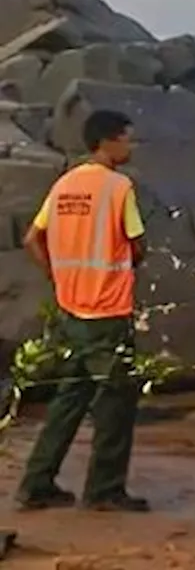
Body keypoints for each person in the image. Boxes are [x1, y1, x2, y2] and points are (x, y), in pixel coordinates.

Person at [16, 110, 149, 512]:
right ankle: (105, 490)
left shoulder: (65, 185)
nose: (131, 145)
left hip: (72, 309)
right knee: (116, 401)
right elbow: (137, 244)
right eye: (127, 138)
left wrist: (59, 277)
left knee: (71, 397)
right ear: (107, 141)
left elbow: (31, 239)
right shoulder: (118, 187)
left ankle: (37, 481)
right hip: (107, 310)